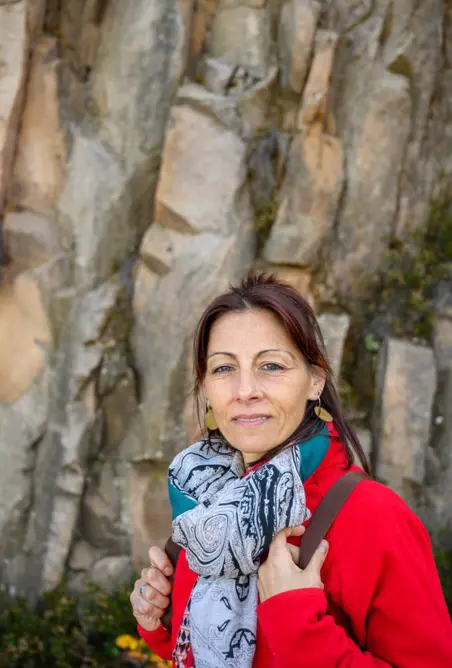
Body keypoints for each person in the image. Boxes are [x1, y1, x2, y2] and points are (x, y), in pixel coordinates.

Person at [130, 274, 452, 667]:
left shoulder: (373, 516)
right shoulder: (205, 505)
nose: (245, 390)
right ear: (205, 389)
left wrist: (297, 620)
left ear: (315, 380)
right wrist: (162, 620)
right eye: (223, 369)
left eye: (271, 365)